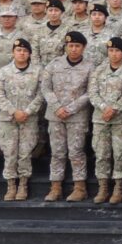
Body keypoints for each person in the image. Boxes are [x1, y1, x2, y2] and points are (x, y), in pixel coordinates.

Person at [41, 31, 95, 202]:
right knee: (57, 152)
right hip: (55, 115)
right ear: (65, 47)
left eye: (77, 46)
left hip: (77, 116)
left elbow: (90, 92)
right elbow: (45, 88)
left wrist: (70, 108)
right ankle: (55, 187)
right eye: (70, 46)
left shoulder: (90, 67)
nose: (73, 49)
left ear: (83, 48)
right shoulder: (53, 64)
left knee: (77, 151)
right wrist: (57, 107)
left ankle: (79, 187)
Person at [0, 37, 42, 200]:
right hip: (8, 119)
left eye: (25, 51)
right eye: (18, 50)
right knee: (9, 152)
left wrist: (27, 111)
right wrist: (14, 111)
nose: (21, 53)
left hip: (29, 119)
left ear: (30, 54)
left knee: (25, 152)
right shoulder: (2, 73)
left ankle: (23, 185)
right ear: (13, 53)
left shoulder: (38, 72)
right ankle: (10, 186)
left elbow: (41, 94)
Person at [88, 37, 122, 205]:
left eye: (117, 51)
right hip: (100, 119)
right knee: (101, 154)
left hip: (121, 119)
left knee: (120, 153)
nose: (113, 54)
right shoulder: (99, 70)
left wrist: (114, 108)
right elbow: (92, 92)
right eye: (111, 51)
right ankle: (103, 187)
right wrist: (103, 107)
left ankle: (118, 187)